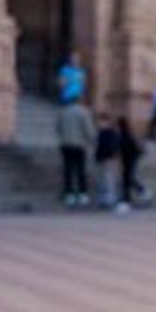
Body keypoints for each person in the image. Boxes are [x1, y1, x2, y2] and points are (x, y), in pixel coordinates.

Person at [55, 53, 92, 207]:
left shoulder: (63, 113)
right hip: (80, 144)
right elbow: (88, 129)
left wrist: (63, 136)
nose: (76, 61)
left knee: (68, 169)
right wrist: (90, 139)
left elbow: (57, 127)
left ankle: (69, 193)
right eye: (74, 59)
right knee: (81, 168)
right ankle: (82, 194)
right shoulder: (84, 112)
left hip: (66, 143)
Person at [115, 115, 145, 210]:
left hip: (129, 160)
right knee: (128, 179)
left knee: (127, 180)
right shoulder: (126, 135)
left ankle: (127, 200)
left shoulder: (124, 136)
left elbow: (129, 149)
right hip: (130, 160)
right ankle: (137, 194)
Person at [93, 112, 121, 208]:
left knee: (109, 181)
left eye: (102, 122)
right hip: (101, 159)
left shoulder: (111, 133)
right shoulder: (101, 133)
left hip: (108, 160)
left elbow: (113, 148)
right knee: (101, 180)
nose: (100, 124)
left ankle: (110, 200)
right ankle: (103, 200)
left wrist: (111, 157)